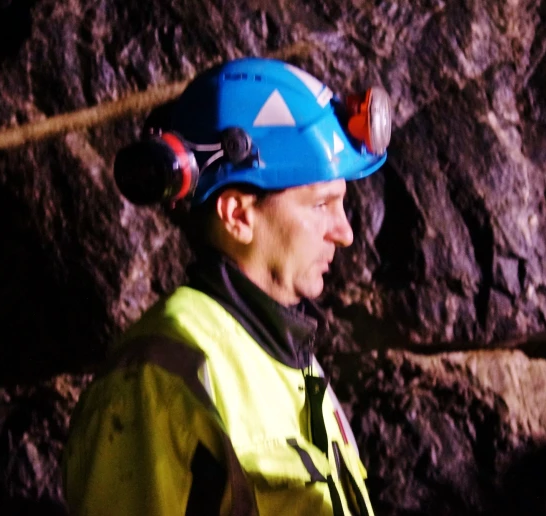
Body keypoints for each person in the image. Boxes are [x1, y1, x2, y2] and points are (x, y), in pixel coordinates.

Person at [62, 57, 391, 515]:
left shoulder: (294, 364)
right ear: (238, 216)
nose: (345, 232)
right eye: (321, 205)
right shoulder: (155, 380)